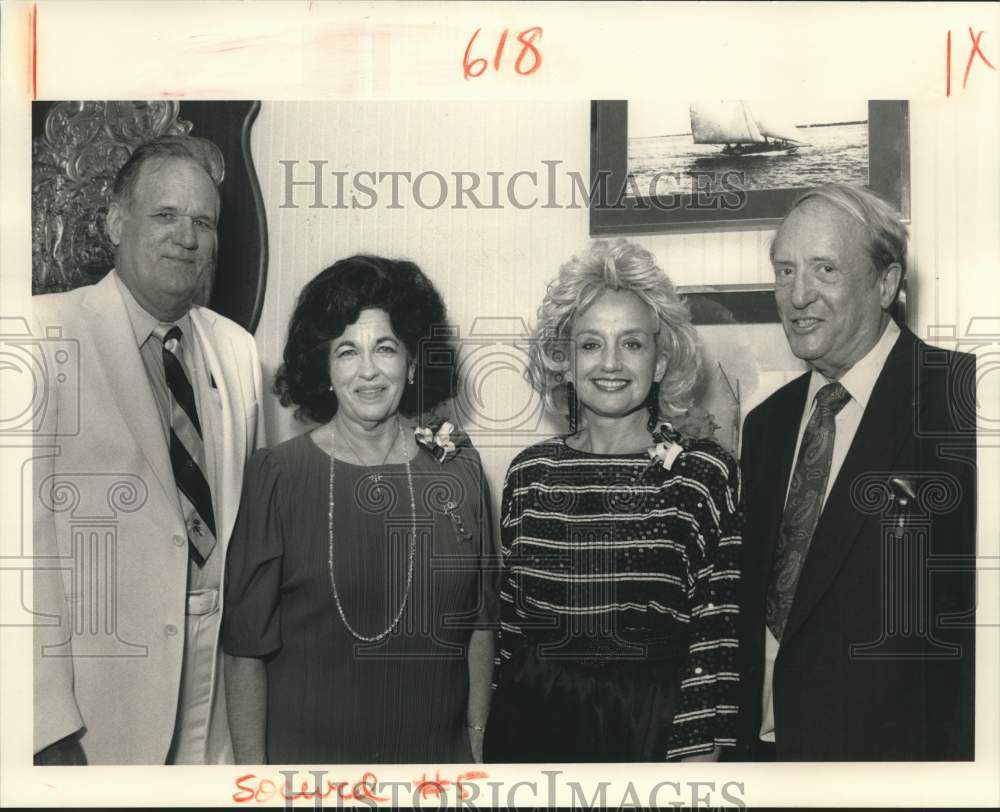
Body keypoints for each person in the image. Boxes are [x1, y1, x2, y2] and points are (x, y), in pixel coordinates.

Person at [32, 135, 265, 764]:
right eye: (165, 215)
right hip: (94, 709)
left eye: (203, 222)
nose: (186, 237)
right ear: (115, 221)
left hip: (212, 700)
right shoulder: (38, 335)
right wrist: (42, 726)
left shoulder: (238, 353)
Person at [222, 255, 498, 764]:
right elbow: (244, 651)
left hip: (436, 768)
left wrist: (475, 739)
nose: (368, 371)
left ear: (413, 363)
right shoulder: (278, 475)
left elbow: (481, 625)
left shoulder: (458, 468)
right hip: (307, 773)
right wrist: (253, 784)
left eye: (386, 348)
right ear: (325, 369)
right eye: (347, 351)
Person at [736, 184, 977, 760]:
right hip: (767, 758)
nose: (798, 295)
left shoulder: (965, 402)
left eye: (825, 269)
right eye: (785, 270)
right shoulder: (766, 425)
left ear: (886, 283)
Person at [484, 239, 742, 762]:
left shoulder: (702, 472)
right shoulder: (530, 472)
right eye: (590, 344)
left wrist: (699, 756)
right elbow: (511, 625)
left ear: (663, 359)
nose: (610, 364)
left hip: (650, 726)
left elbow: (718, 632)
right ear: (564, 359)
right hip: (533, 721)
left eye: (631, 344)